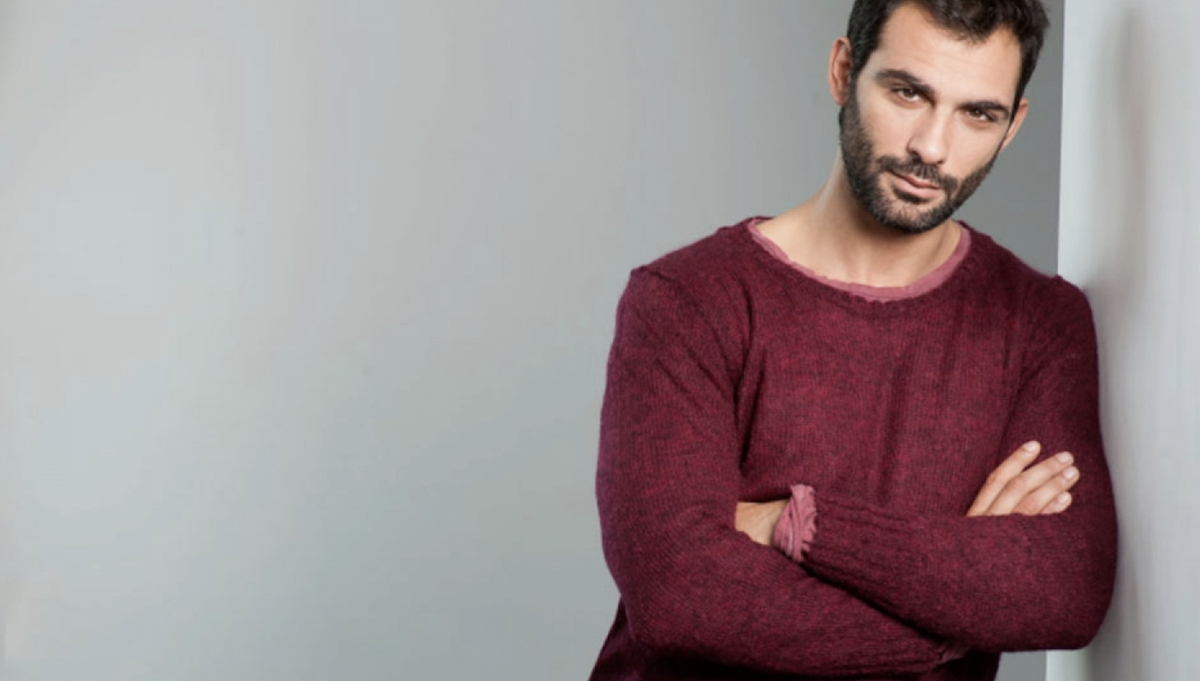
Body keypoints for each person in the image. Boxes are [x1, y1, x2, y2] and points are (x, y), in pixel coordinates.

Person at [589, 1, 1117, 680]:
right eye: (908, 93)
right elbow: (678, 594)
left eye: (977, 114)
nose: (932, 147)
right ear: (844, 71)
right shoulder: (688, 299)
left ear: (1012, 125)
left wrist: (801, 523)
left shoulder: (1042, 322)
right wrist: (946, 625)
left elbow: (1063, 591)